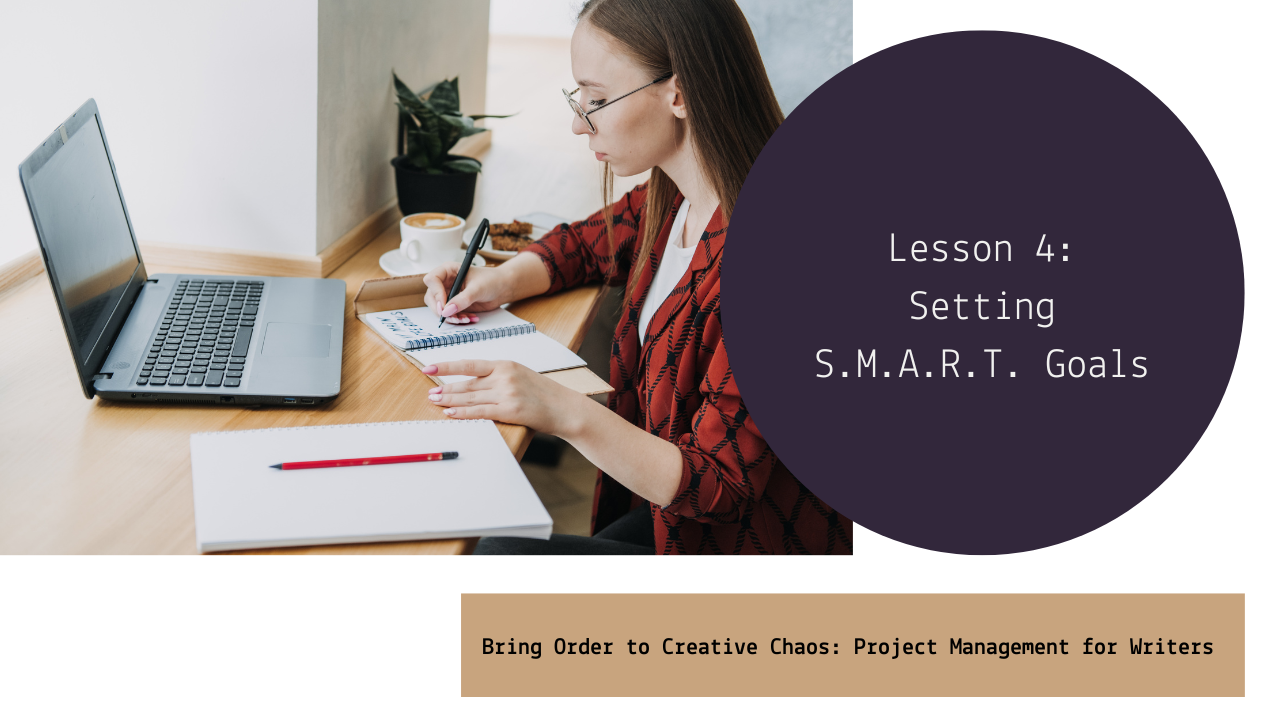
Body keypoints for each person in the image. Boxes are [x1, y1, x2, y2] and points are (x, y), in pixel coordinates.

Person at [421, 0, 852, 555]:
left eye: (597, 99)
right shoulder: (677, 192)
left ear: (679, 94)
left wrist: (560, 409)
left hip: (746, 548)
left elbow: (720, 484)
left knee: (495, 556)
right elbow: (587, 242)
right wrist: (495, 282)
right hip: (674, 517)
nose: (579, 122)